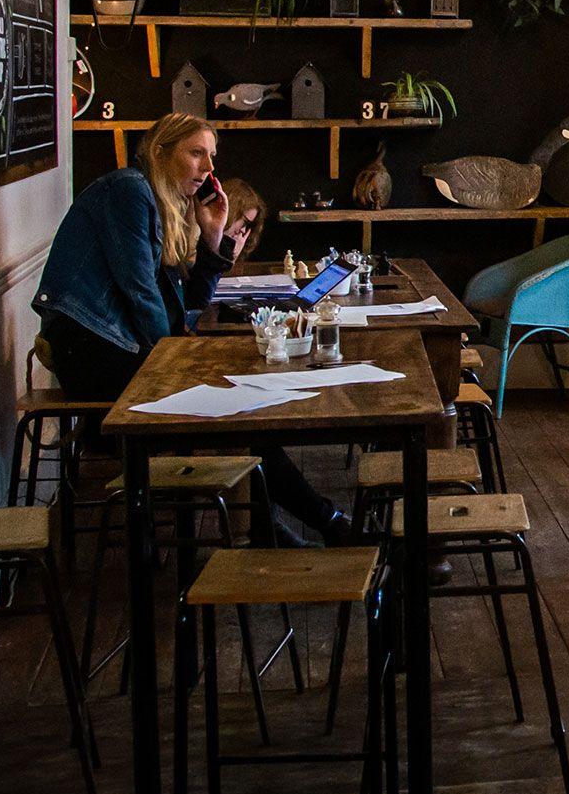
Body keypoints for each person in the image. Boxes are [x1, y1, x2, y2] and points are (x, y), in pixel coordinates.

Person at [32, 113, 353, 542]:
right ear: (160, 151)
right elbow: (141, 294)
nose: (208, 167)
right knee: (234, 414)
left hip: (116, 349)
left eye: (211, 155)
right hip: (92, 352)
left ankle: (284, 526)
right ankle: (317, 523)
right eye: (196, 153)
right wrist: (175, 358)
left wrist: (213, 237)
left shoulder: (163, 205)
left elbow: (187, 309)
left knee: (238, 411)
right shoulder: (130, 191)